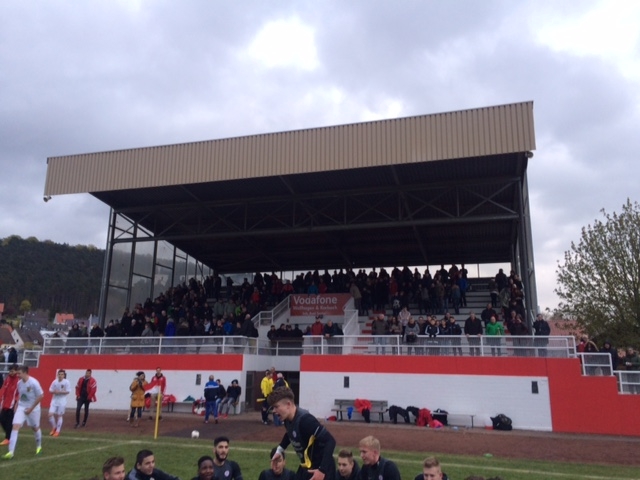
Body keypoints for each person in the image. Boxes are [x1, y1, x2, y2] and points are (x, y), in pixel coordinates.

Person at [269, 387, 336, 480]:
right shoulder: (288, 419)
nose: (273, 411)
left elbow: (330, 441)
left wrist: (322, 470)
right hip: (307, 466)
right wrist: (279, 450)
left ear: (288, 404)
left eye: (276, 407)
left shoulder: (305, 421)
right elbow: (290, 433)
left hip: (320, 470)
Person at [2, 365, 44, 459]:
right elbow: (20, 395)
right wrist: (17, 405)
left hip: (34, 408)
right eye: (17, 373)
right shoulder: (19, 383)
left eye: (19, 373)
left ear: (25, 373)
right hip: (22, 407)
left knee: (35, 428)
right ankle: (11, 452)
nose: (17, 375)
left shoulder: (34, 383)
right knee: (15, 426)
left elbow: (41, 396)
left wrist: (31, 409)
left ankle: (39, 447)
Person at [48, 368, 71, 437]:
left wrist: (60, 392)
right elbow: (50, 390)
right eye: (59, 374)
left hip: (62, 401)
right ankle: (54, 427)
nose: (60, 376)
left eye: (62, 374)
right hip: (54, 400)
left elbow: (68, 391)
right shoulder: (54, 382)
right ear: (57, 375)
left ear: (64, 375)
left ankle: (57, 431)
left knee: (59, 415)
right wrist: (54, 391)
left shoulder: (66, 382)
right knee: (50, 414)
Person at [0, 363, 19, 446]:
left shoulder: (18, 381)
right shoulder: (7, 379)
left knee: (9, 422)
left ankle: (8, 438)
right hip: (5, 403)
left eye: (12, 371)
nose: (11, 373)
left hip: (12, 405)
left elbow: (18, 393)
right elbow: (4, 390)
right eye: (10, 371)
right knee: (2, 419)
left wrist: (16, 402)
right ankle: (10, 435)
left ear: (16, 371)